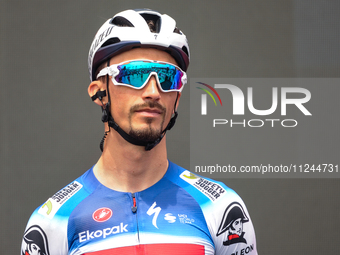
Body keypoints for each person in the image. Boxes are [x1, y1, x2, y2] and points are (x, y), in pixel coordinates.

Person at [21, 9, 258, 255]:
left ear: (177, 98)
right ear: (97, 92)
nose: (153, 92)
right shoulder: (52, 223)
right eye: (134, 75)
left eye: (168, 78)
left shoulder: (220, 207)